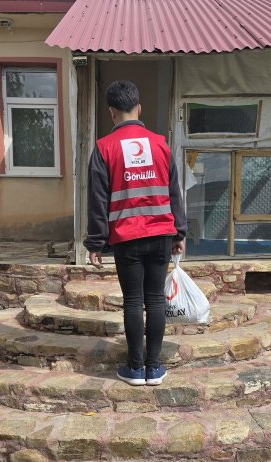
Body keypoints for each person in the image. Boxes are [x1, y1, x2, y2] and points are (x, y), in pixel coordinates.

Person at [84, 80, 187, 386]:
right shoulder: (160, 144)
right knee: (155, 300)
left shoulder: (104, 148)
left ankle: (134, 368)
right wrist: (179, 233)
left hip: (126, 239)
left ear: (111, 112)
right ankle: (154, 369)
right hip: (161, 234)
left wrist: (95, 242)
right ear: (139, 108)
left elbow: (97, 200)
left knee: (133, 301)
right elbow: (174, 192)